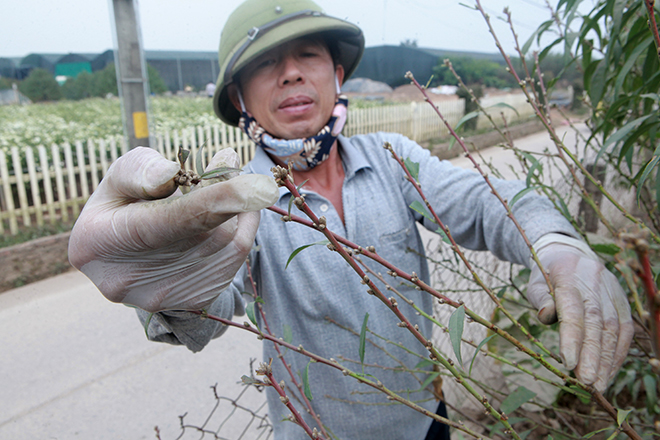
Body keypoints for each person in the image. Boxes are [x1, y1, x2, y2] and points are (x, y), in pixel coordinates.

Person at [68, 0, 634, 439]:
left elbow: (488, 201)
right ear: (238, 98)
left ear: (338, 73)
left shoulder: (394, 158)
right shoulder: (232, 202)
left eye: (308, 56)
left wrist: (556, 245)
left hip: (426, 423)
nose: (290, 74)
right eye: (265, 64)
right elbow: (210, 308)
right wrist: (173, 292)